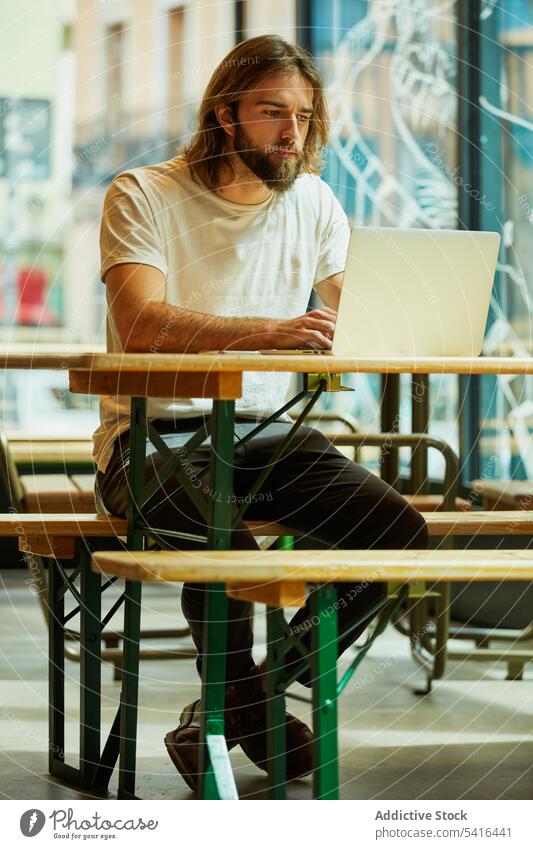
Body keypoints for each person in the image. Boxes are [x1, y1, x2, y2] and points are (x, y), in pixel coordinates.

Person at [94, 33, 428, 791]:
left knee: (396, 535)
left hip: (268, 436)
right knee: (227, 548)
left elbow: (359, 305)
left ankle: (246, 701)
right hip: (150, 442)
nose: (291, 133)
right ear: (225, 111)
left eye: (304, 117)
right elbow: (142, 322)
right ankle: (252, 714)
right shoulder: (142, 193)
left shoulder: (312, 201)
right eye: (272, 112)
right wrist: (265, 332)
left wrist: (418, 312)